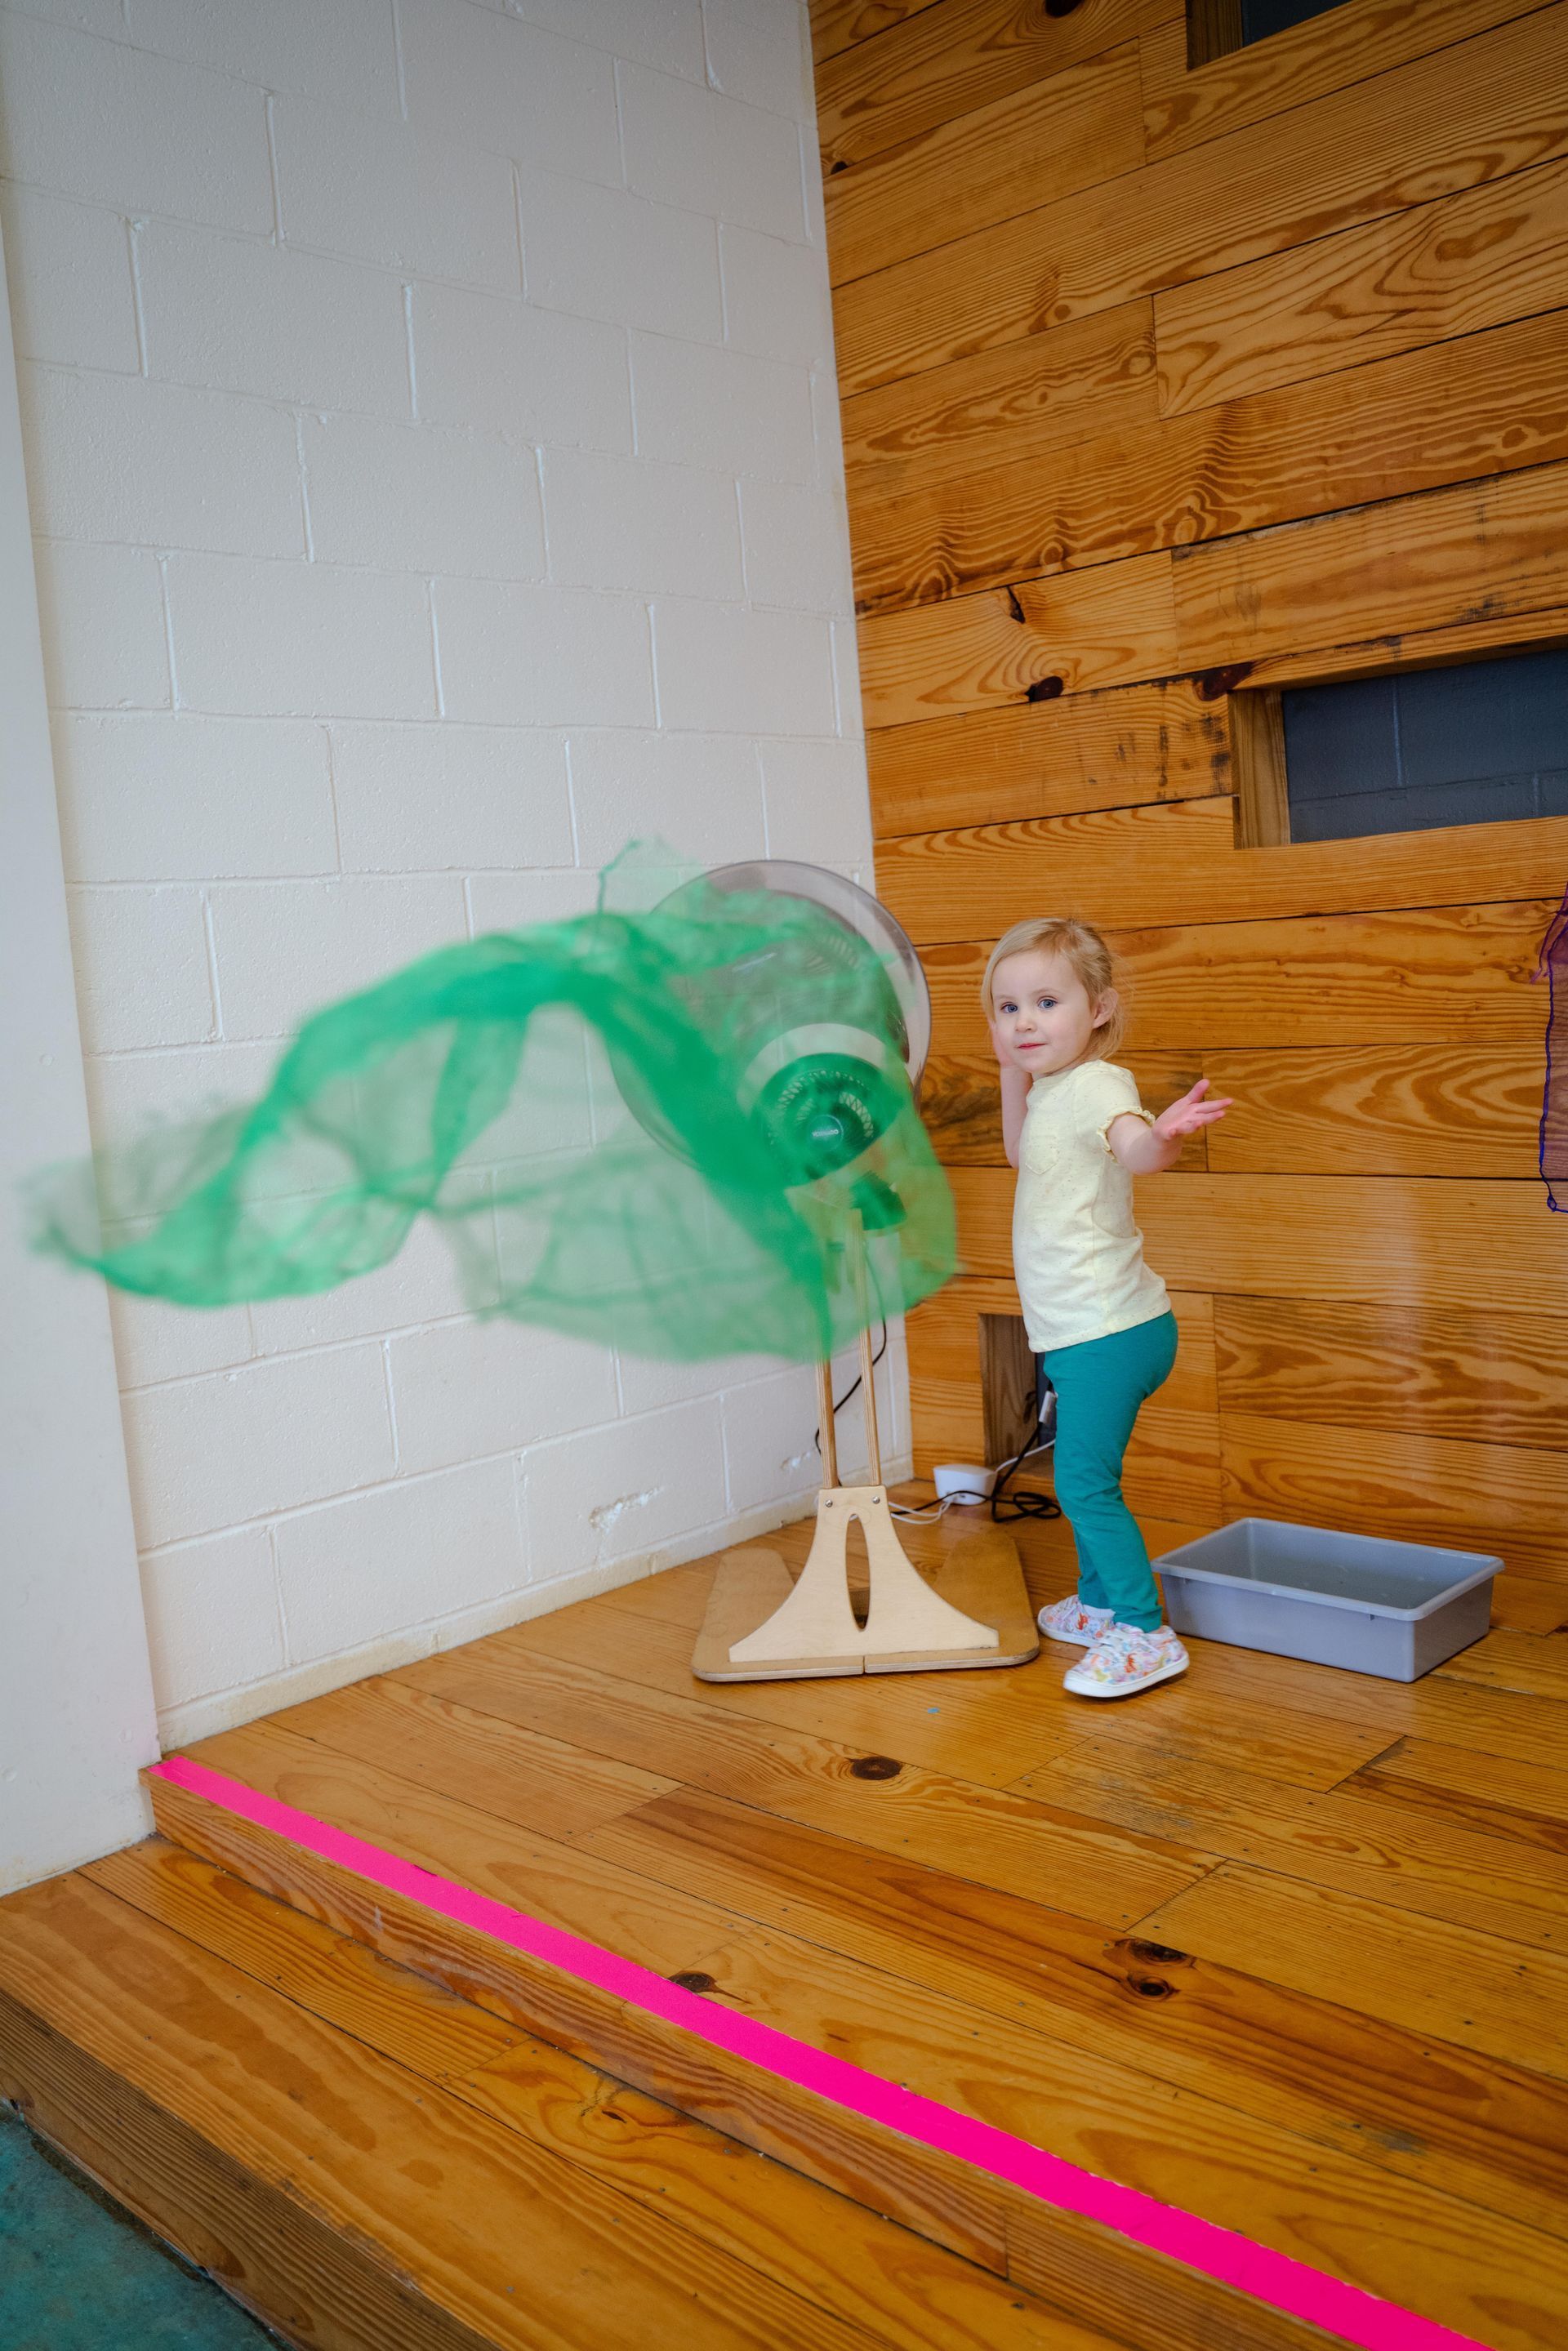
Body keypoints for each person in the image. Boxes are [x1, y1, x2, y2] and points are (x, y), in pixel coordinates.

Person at [985, 916, 1232, 1699]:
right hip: (1081, 1330)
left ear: (1098, 1008)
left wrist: (1165, 1136)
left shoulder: (1098, 1083)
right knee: (1081, 1473)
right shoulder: (1051, 1088)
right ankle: (1097, 1605)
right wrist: (1008, 1071)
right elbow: (1020, 1150)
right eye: (1007, 1007)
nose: (1024, 1021)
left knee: (1085, 1483)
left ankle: (1143, 1629)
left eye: (1046, 1002)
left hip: (1111, 1332)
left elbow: (1135, 1148)